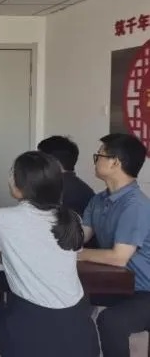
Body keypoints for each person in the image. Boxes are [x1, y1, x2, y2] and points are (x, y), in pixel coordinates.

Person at [0, 151, 99, 357]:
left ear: (21, 184)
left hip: (32, 326)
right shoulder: (72, 219)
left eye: (13, 173)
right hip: (79, 327)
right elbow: (52, 251)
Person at [80, 133, 150, 357]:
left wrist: (76, 254)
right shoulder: (98, 200)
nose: (95, 161)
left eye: (99, 155)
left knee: (111, 321)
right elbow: (79, 237)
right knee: (70, 304)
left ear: (115, 162)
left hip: (144, 291)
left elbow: (118, 257)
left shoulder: (135, 205)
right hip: (117, 285)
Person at [38, 135, 94, 215]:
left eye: (40, 159)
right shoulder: (82, 188)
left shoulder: (55, 189)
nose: (37, 164)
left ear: (54, 161)